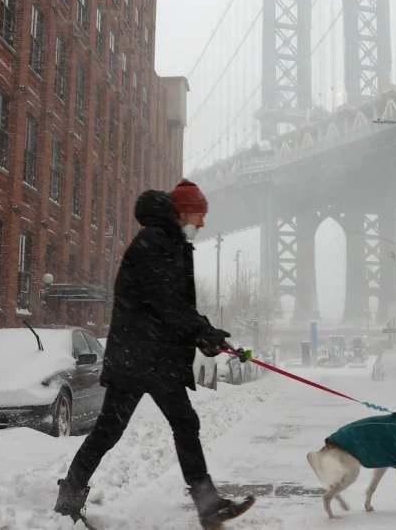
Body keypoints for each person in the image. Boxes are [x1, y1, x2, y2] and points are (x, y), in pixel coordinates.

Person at [55, 180, 255, 528]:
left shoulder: (169, 242)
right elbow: (165, 302)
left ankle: (208, 506)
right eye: (198, 214)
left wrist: (204, 335)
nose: (202, 223)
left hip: (151, 356)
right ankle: (69, 498)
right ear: (181, 211)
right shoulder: (154, 242)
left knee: (176, 424)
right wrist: (200, 330)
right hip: (141, 357)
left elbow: (172, 306)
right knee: (112, 430)